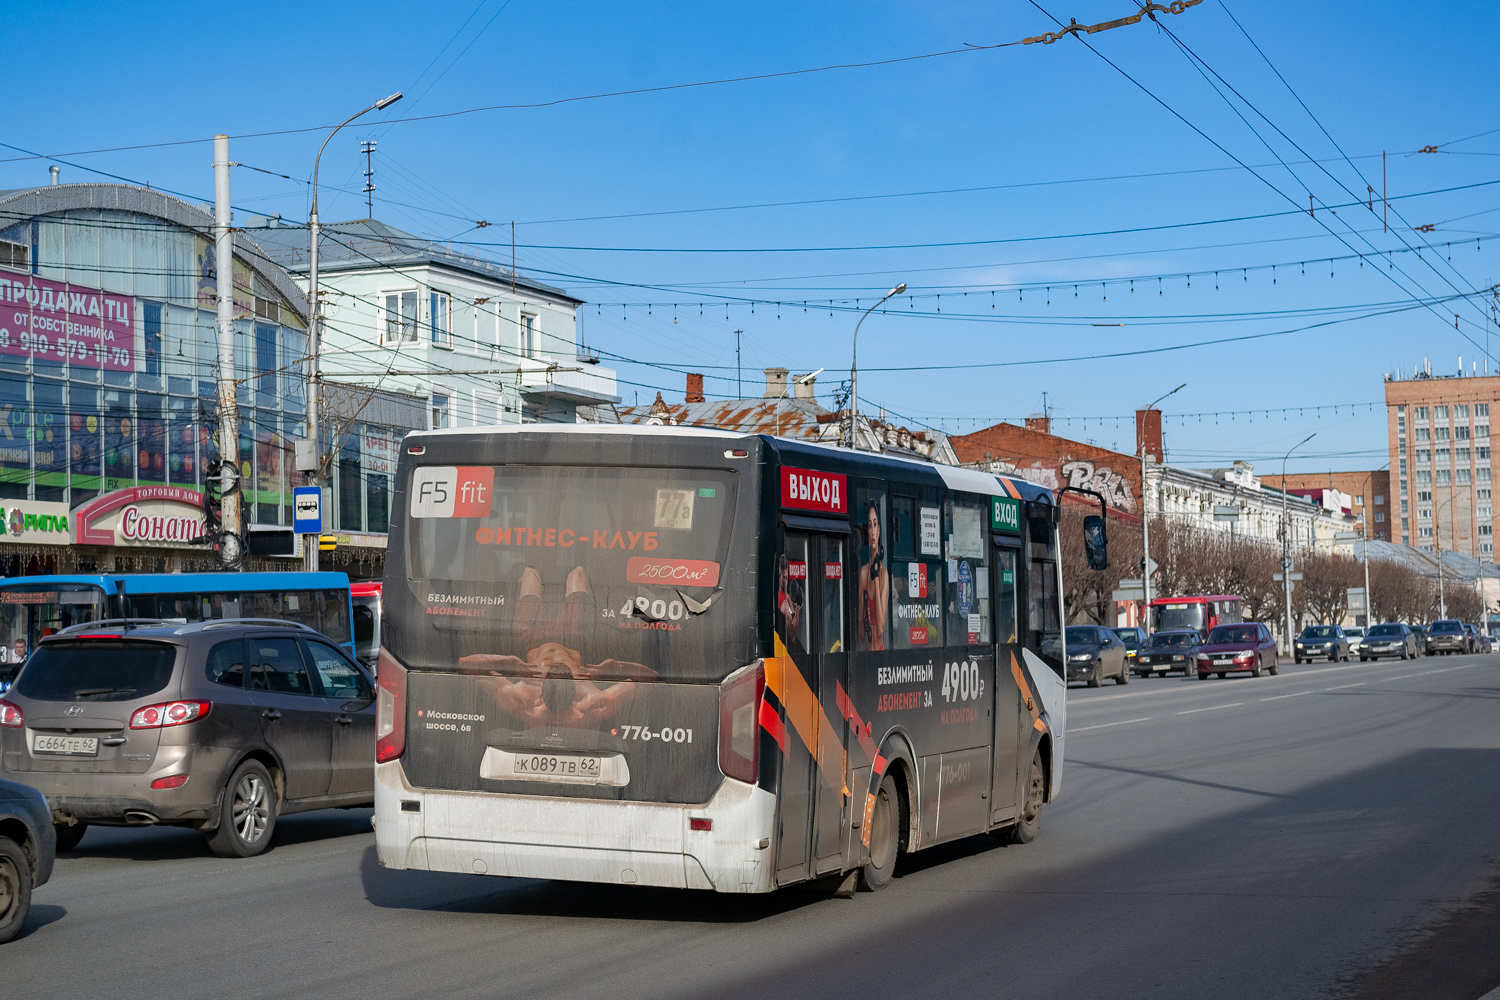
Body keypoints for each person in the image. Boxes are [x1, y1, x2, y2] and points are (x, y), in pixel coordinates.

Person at [458, 566, 655, 728]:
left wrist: (508, 662)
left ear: (543, 691)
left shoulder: (524, 703)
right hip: (571, 637)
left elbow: (466, 665)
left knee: (530, 573)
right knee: (578, 573)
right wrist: (615, 666)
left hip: (533, 637)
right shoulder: (591, 704)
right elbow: (652, 679)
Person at [857, 501, 889, 650]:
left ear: (879, 530)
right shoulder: (863, 572)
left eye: (875, 525)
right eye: (869, 526)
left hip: (879, 652)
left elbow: (881, 627)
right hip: (868, 652)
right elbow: (861, 627)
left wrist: (876, 581)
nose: (872, 531)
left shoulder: (883, 575)